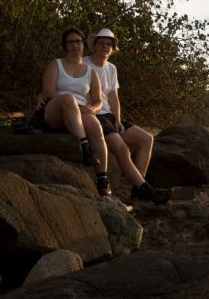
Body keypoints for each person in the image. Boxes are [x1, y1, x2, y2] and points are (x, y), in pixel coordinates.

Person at [84, 28, 171, 204]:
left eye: (109, 44)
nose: (105, 47)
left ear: (112, 49)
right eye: (101, 43)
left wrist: (117, 119)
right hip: (93, 114)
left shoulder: (112, 68)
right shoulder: (84, 64)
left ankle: (138, 189)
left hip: (108, 114)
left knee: (146, 139)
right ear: (94, 45)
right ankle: (145, 189)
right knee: (122, 148)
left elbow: (114, 97)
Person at [38, 27, 112, 197]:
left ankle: (102, 179)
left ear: (83, 44)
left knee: (95, 125)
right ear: (65, 45)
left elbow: (98, 100)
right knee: (69, 99)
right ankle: (85, 148)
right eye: (71, 42)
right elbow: (48, 91)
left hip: (78, 115)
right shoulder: (56, 64)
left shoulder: (91, 72)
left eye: (78, 41)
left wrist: (92, 109)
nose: (75, 45)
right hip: (56, 110)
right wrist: (74, 106)